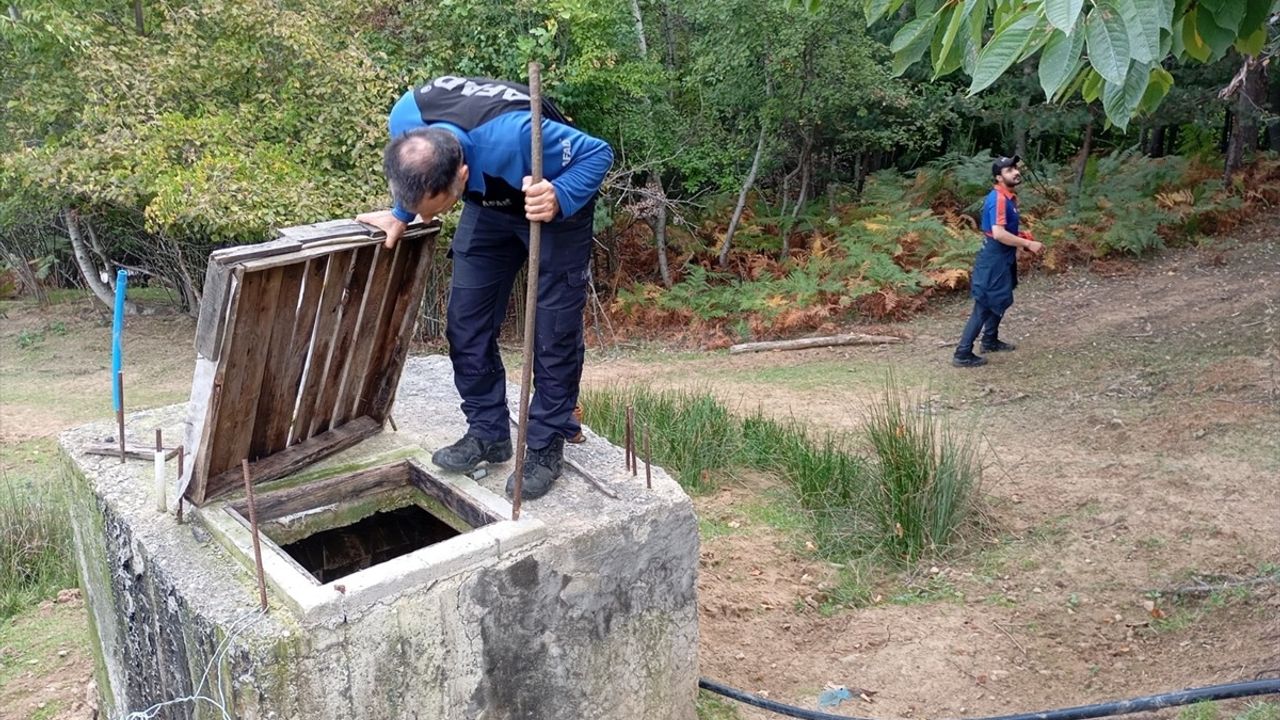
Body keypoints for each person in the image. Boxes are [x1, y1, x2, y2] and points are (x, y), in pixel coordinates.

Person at [357, 76, 614, 499]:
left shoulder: (515, 137)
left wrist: (560, 194)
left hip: (548, 201)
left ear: (460, 175)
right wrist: (401, 213)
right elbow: (415, 180)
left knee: (553, 334)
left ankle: (546, 445)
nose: (426, 221)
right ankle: (488, 433)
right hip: (490, 205)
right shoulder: (407, 119)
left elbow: (597, 151)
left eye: (432, 210)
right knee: (465, 323)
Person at [953, 155, 1043, 368]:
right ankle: (962, 353)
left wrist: (1021, 237)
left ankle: (990, 340)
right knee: (984, 304)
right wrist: (1028, 244)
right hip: (993, 258)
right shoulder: (999, 199)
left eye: (1015, 168)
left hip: (1004, 256)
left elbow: (1003, 231)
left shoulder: (1010, 197)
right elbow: (999, 234)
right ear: (998, 177)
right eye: (1009, 170)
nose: (1015, 172)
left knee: (1001, 297)